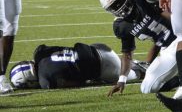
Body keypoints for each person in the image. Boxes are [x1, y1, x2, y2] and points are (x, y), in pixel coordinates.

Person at [98, 0, 180, 96]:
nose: (119, 7)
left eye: (119, 1)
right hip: (166, 48)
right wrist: (122, 80)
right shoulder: (121, 26)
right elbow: (127, 53)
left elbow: (176, 20)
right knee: (147, 87)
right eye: (113, 6)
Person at [9, 43, 147, 89]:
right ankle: (132, 63)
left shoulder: (45, 81)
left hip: (105, 67)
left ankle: (143, 70)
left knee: (132, 76)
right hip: (97, 47)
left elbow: (76, 82)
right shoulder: (39, 54)